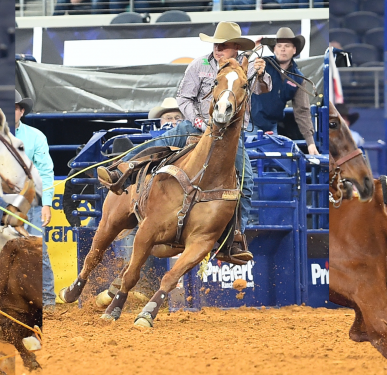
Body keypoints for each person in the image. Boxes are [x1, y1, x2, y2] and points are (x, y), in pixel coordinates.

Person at [99, 22, 270, 264]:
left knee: (247, 180)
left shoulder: (249, 67)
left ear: (235, 48)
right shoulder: (199, 64)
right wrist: (199, 121)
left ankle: (233, 238)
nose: (218, 49)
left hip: (229, 134)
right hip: (196, 125)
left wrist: (261, 75)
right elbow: (184, 98)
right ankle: (120, 169)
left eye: (223, 45)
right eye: (216, 44)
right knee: (158, 144)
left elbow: (263, 89)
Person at [13, 91, 56, 308]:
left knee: (38, 253)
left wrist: (46, 203)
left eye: (14, 107)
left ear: (21, 111)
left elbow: (45, 172)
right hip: (0, 202)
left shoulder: (36, 137)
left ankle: (47, 301)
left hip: (28, 202)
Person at [253, 27, 319, 154]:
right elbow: (242, 72)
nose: (283, 49)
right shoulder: (261, 64)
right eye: (279, 45)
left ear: (294, 50)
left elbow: (302, 111)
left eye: (287, 45)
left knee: (271, 162)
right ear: (274, 49)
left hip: (272, 126)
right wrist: (254, 52)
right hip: (251, 124)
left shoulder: (298, 79)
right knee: (253, 162)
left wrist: (310, 143)